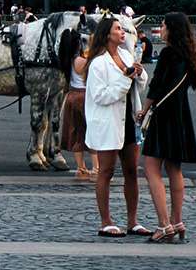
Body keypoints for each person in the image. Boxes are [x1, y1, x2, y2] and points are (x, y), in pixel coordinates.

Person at [84, 15, 152, 238]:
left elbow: (137, 87)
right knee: (106, 171)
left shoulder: (125, 54)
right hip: (107, 122)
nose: (123, 32)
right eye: (118, 29)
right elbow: (101, 96)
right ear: (107, 35)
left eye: (123, 29)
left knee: (132, 170)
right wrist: (125, 80)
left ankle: (133, 221)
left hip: (129, 120)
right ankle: (106, 221)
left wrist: (140, 75)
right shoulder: (97, 63)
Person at [137, 12, 196, 243]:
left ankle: (164, 224)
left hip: (164, 115)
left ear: (171, 29)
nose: (161, 29)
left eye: (163, 25)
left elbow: (156, 86)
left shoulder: (167, 53)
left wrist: (144, 111)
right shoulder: (188, 54)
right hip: (181, 116)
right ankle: (177, 220)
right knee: (175, 170)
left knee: (151, 168)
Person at [58, 27, 96, 180]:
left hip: (72, 95)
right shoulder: (81, 60)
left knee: (77, 134)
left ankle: (81, 169)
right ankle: (97, 168)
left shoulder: (68, 60)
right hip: (84, 96)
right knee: (92, 133)